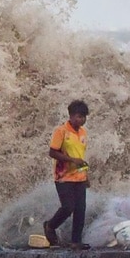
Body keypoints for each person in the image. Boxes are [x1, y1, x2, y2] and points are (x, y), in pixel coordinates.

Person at [44, 99, 91, 249]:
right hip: (63, 176)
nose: (81, 119)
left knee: (80, 210)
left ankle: (75, 241)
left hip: (79, 177)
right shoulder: (61, 131)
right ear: (70, 116)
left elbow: (80, 156)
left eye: (83, 117)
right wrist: (71, 160)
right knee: (68, 207)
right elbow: (52, 152)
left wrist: (86, 176)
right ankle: (50, 226)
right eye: (78, 116)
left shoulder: (83, 132)